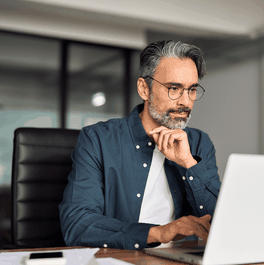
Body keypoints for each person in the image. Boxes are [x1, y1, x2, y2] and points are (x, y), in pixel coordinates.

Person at [59, 40, 221, 250]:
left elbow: (220, 223)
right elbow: (77, 224)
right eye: (174, 88)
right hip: (122, 258)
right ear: (144, 89)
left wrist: (189, 163)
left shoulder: (199, 143)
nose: (186, 101)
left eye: (191, 90)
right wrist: (159, 232)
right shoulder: (98, 139)